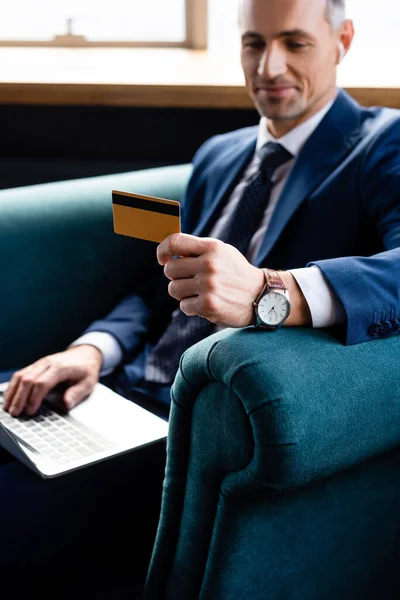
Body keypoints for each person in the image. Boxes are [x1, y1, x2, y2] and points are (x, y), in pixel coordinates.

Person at [1, 0, 400, 588]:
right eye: (252, 43)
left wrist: (272, 291)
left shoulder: (383, 144)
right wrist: (91, 351)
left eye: (294, 43)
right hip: (109, 391)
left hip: (190, 432)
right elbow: (157, 288)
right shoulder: (219, 154)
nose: (268, 66)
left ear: (341, 40)